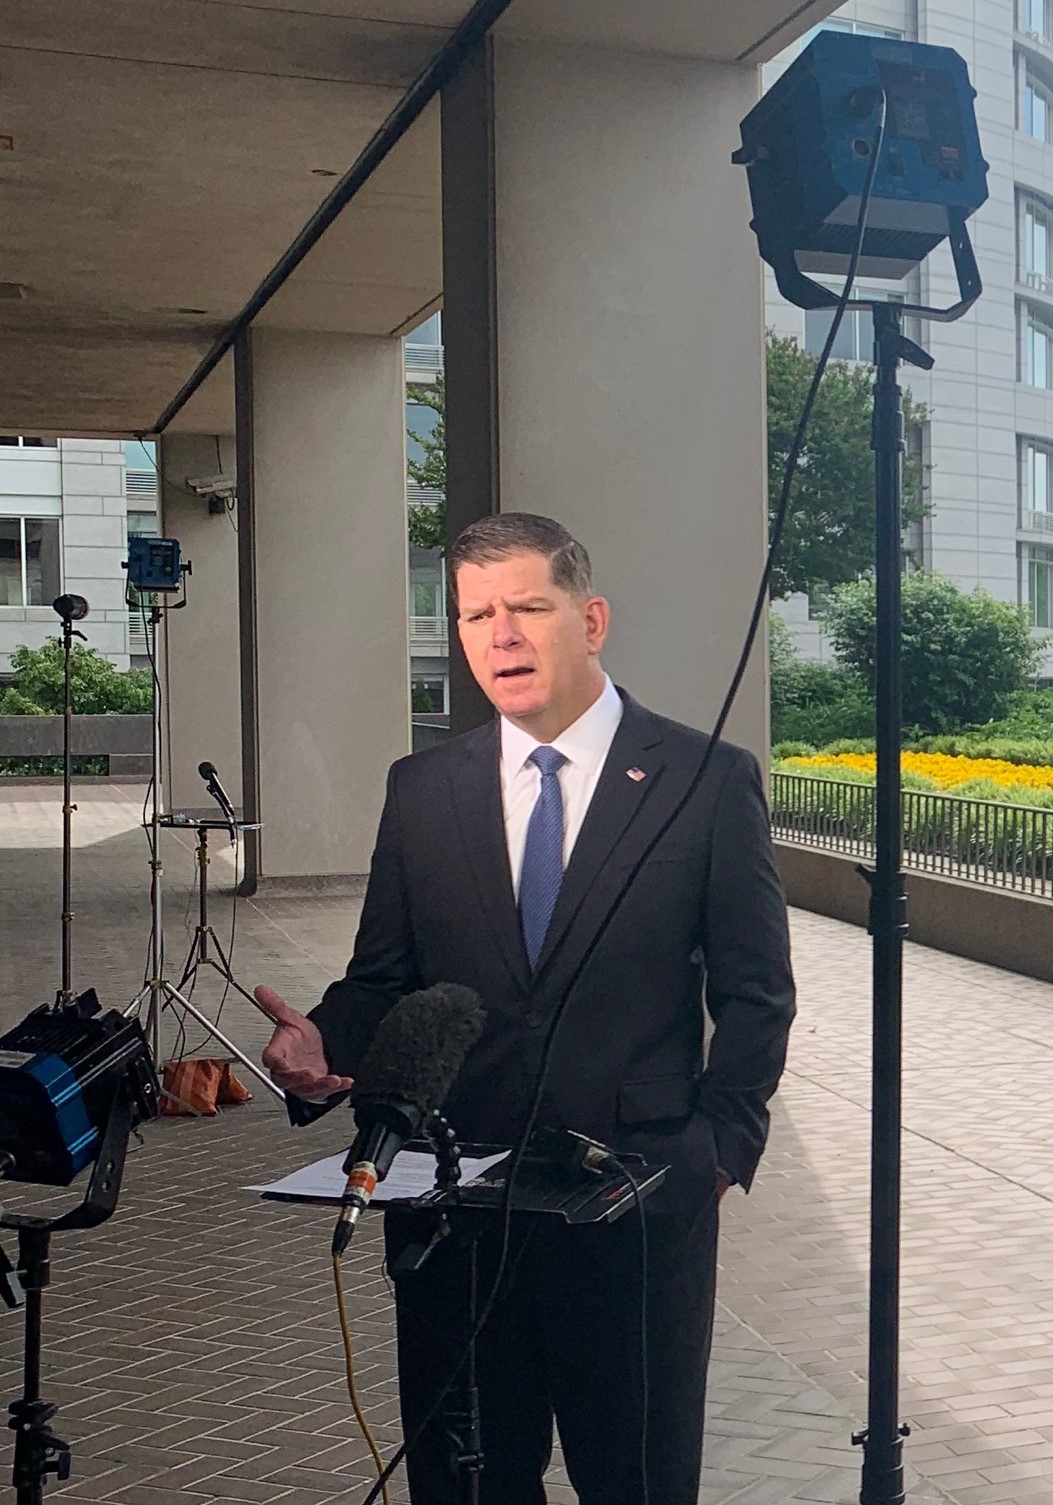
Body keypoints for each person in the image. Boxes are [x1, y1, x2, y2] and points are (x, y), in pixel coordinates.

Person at [253, 512, 795, 1504]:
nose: (498, 634)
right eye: (473, 614)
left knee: (636, 1483)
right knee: (466, 1486)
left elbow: (758, 992)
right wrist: (322, 1039)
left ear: (590, 619)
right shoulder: (422, 789)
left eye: (526, 607)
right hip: (453, 1215)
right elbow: (386, 977)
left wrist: (715, 1152)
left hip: (633, 1210)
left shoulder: (706, 781)